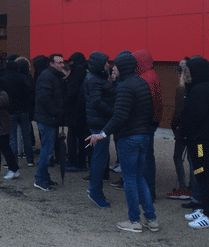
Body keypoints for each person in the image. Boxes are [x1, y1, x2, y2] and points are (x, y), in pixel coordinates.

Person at [86, 51, 158, 233]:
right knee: (139, 178)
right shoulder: (141, 82)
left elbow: (120, 116)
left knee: (130, 180)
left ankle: (134, 220)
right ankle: (151, 218)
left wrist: (101, 134)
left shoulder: (126, 86)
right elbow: (148, 111)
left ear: (123, 67)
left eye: (115, 65)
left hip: (129, 139)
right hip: (143, 136)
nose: (112, 67)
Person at [178, 57, 209, 229]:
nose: (186, 74)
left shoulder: (198, 91)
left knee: (201, 173)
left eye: (188, 71)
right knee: (200, 172)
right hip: (206, 140)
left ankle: (208, 215)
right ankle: (204, 207)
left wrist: (186, 136)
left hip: (199, 143)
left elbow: (192, 119)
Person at [84, 51, 116, 208]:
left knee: (99, 156)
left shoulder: (98, 77)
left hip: (99, 121)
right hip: (99, 123)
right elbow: (97, 101)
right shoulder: (95, 79)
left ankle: (94, 189)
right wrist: (114, 113)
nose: (108, 64)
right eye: (105, 62)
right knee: (100, 157)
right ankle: (95, 191)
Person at [33, 54, 66, 191]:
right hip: (47, 119)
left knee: (47, 149)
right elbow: (44, 98)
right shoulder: (48, 76)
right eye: (59, 62)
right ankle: (40, 179)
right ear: (51, 63)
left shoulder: (54, 76)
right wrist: (55, 112)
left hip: (50, 118)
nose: (62, 65)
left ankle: (44, 177)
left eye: (63, 62)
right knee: (46, 151)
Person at [133, 49, 162, 201]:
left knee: (144, 159)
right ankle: (148, 191)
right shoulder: (152, 75)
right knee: (147, 157)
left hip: (145, 124)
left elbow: (145, 103)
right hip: (150, 123)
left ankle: (147, 192)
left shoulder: (146, 78)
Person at [167, 60, 193, 200]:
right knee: (192, 158)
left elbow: (178, 111)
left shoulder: (181, 88)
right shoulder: (196, 87)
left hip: (182, 130)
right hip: (195, 131)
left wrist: (174, 126)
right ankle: (192, 187)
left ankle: (183, 187)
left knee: (178, 157)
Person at [2, 59, 35, 167]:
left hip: (11, 110)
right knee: (26, 135)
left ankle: (13, 160)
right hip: (23, 109)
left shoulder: (4, 78)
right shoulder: (22, 77)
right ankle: (30, 159)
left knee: (12, 137)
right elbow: (30, 90)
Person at [65, 52, 88, 172]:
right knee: (81, 136)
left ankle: (74, 160)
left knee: (73, 136)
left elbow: (72, 90)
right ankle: (81, 161)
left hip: (75, 110)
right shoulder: (84, 70)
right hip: (82, 110)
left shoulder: (78, 71)